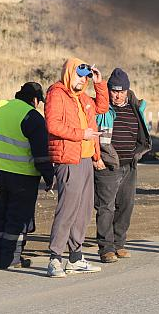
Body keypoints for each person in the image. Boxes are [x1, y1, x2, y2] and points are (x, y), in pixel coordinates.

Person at [45, 59, 109, 278]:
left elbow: (102, 108)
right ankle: (55, 258)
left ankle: (75, 258)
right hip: (68, 159)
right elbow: (53, 125)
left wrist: (99, 84)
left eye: (86, 77)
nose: (83, 80)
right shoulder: (57, 93)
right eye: (79, 76)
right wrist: (81, 134)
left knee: (84, 209)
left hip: (86, 158)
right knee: (68, 209)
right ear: (69, 73)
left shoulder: (82, 97)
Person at [0, 82, 55, 269]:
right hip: (21, 175)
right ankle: (12, 259)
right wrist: (50, 178)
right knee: (17, 216)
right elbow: (41, 155)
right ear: (35, 100)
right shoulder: (33, 116)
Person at [94, 68, 151, 263]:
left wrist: (138, 153)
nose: (117, 96)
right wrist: (96, 158)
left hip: (129, 165)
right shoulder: (101, 108)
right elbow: (94, 135)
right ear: (108, 90)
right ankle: (106, 248)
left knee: (126, 205)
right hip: (107, 165)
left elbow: (142, 134)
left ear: (127, 90)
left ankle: (119, 244)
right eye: (114, 91)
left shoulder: (135, 107)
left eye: (121, 91)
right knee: (106, 207)